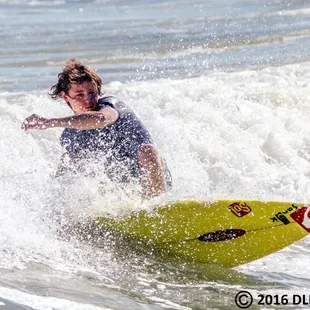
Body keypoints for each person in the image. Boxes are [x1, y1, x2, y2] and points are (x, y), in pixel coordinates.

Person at [22, 59, 172, 197]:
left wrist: (49, 122)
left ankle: (159, 204)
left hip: (155, 180)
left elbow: (100, 118)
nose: (88, 99)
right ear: (65, 97)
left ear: (98, 89)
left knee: (147, 150)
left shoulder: (110, 105)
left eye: (92, 92)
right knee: (69, 160)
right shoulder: (69, 134)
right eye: (79, 94)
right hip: (124, 191)